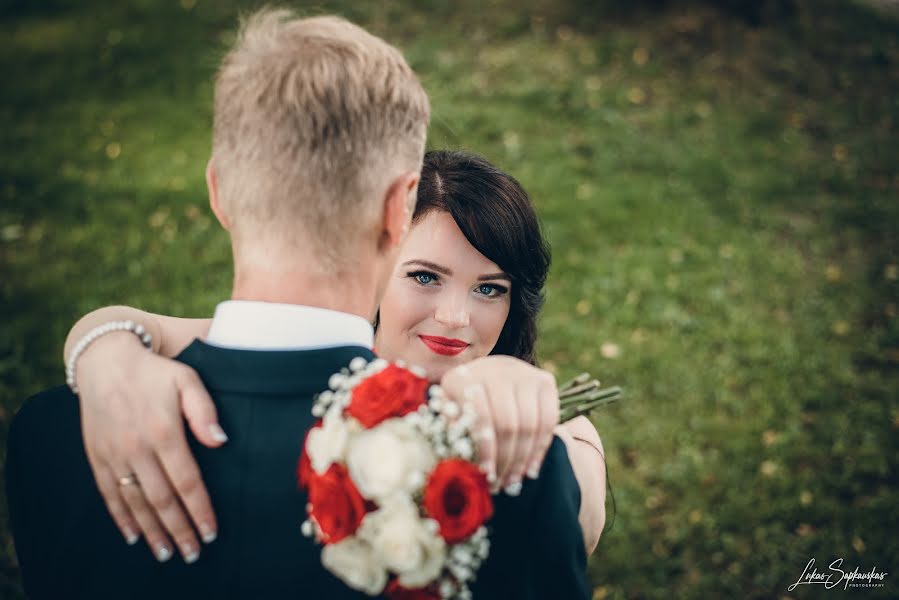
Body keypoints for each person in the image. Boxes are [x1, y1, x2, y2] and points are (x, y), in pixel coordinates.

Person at [6, 9, 592, 600]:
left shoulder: (51, 436)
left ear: (218, 193)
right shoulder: (502, 472)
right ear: (399, 211)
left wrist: (100, 339)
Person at [65, 150, 608, 559]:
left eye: (489, 289)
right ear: (376, 266)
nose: (456, 317)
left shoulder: (560, 428)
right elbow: (146, 329)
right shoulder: (318, 353)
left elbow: (576, 523)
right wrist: (104, 354)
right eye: (424, 277)